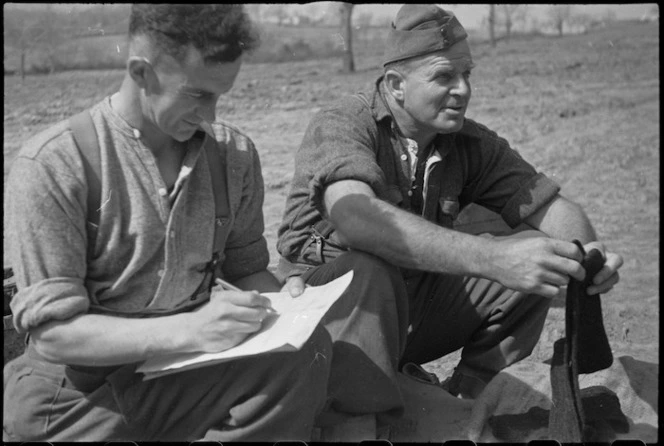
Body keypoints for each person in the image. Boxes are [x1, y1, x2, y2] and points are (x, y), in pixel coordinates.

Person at [3, 4, 406, 442]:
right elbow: (54, 336)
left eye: (220, 95)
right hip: (76, 398)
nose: (211, 115)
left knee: (303, 357)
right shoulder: (57, 164)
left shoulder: (232, 156)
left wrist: (278, 306)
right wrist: (189, 330)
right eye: (198, 95)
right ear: (142, 73)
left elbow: (246, 269)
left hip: (183, 372)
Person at [276, 3, 623, 402]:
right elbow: (357, 218)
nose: (463, 89)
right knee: (367, 269)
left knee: (536, 262)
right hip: (326, 322)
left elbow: (554, 209)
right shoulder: (344, 123)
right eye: (444, 76)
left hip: (408, 310)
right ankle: (353, 419)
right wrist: (493, 258)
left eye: (466, 74)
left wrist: (587, 257)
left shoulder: (467, 142)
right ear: (395, 84)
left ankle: (467, 403)